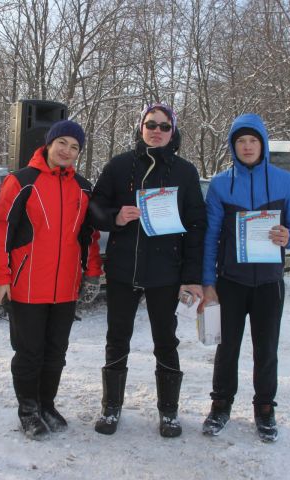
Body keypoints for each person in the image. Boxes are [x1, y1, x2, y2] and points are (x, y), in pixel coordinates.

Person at [88, 103, 207, 437]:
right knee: (117, 338)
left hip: (166, 272)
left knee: (165, 340)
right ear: (140, 127)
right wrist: (115, 216)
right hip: (125, 269)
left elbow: (197, 226)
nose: (157, 130)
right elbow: (94, 207)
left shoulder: (185, 172)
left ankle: (168, 411)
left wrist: (192, 276)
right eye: (151, 124)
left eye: (164, 126)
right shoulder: (120, 165)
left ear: (173, 132)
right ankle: (111, 407)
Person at [0, 120, 103, 440]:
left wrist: (92, 273)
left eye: (74, 147)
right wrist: (1, 277)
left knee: (56, 352)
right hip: (26, 284)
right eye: (62, 143)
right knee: (29, 353)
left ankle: (46, 404)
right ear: (49, 144)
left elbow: (88, 235)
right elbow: (1, 230)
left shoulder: (82, 187)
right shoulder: (22, 181)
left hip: (65, 287)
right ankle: (28, 409)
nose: (67, 151)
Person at [200, 113, 290, 442]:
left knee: (266, 349)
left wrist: (288, 237)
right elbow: (210, 237)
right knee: (226, 348)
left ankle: (264, 409)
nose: (247, 147)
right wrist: (208, 282)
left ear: (263, 145)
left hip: (269, 283)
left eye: (253, 141)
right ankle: (220, 405)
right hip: (230, 282)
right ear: (232, 147)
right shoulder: (221, 185)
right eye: (240, 142)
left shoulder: (284, 182)